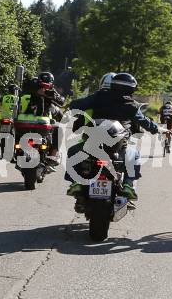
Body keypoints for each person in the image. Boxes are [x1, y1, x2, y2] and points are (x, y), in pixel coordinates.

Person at [66, 72, 159, 212]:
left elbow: (76, 105)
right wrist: (155, 128)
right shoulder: (131, 104)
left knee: (73, 151)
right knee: (134, 156)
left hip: (94, 144)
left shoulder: (98, 97)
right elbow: (145, 122)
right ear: (131, 89)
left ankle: (76, 182)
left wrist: (72, 105)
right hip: (117, 146)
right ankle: (128, 185)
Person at [22, 72, 66, 168]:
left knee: (59, 129)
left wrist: (51, 95)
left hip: (43, 122)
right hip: (27, 120)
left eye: (47, 85)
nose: (45, 87)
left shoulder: (51, 91)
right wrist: (39, 91)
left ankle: (53, 155)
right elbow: (27, 87)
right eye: (43, 84)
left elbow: (61, 101)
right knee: (59, 129)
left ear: (51, 84)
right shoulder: (31, 86)